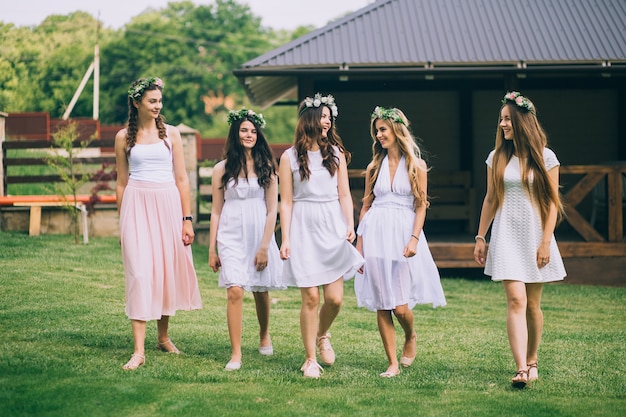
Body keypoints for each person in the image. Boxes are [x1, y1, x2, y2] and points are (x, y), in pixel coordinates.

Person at [473, 91, 566, 388]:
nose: (502, 125)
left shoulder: (546, 157)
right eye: (501, 120)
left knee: (532, 305)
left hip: (536, 234)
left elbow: (553, 203)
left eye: (507, 119)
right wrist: (480, 236)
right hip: (506, 233)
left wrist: (546, 241)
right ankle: (521, 369)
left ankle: (533, 358)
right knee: (516, 299)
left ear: (522, 122)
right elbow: (490, 199)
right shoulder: (496, 157)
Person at [115, 77, 202, 370]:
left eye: (160, 101)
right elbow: (121, 182)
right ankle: (138, 350)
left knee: (164, 271)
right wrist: (121, 221)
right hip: (136, 205)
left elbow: (181, 180)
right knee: (140, 273)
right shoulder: (123, 137)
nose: (157, 106)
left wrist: (187, 220)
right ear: (137, 102)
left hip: (167, 205)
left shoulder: (172, 135)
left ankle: (162, 337)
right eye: (152, 101)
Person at [355, 106, 446, 378]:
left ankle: (411, 334)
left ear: (396, 130)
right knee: (383, 303)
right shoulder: (374, 167)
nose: (378, 134)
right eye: (376, 131)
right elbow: (366, 207)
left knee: (400, 306)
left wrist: (414, 238)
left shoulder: (416, 166)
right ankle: (392, 362)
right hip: (375, 234)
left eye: (382, 129)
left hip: (403, 233)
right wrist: (359, 247)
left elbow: (421, 206)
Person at [279, 93, 364, 379]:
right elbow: (286, 201)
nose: (327, 121)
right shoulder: (288, 158)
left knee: (335, 298)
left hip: (331, 225)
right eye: (323, 116)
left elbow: (343, 193)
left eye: (330, 117)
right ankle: (310, 359)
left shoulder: (336, 154)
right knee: (311, 298)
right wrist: (286, 238)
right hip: (303, 226)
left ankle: (322, 333)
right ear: (310, 119)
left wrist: (349, 225)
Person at [208, 108, 285, 371]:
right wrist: (211, 249)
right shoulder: (221, 169)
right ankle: (236, 353)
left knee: (260, 289)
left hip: (258, 233)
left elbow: (273, 209)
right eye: (243, 130)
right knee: (235, 289)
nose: (249, 134)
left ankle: (264, 333)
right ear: (235, 133)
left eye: (253, 131)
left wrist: (265, 246)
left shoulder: (267, 168)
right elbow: (216, 210)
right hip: (230, 234)